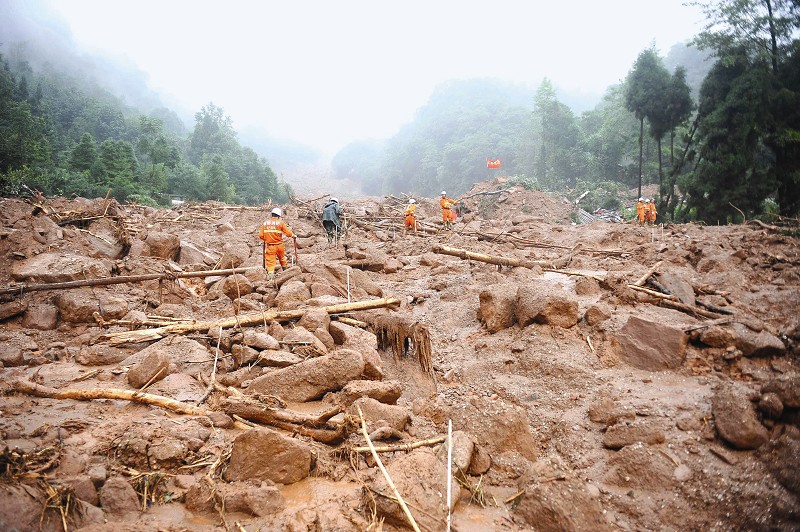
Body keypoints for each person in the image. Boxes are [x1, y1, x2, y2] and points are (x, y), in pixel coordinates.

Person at [259, 207, 296, 278]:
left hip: (270, 246)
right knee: (282, 258)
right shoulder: (280, 223)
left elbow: (261, 235)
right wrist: (293, 236)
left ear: (272, 214)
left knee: (270, 262)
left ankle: (271, 278)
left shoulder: (265, 223)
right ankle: (285, 272)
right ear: (279, 216)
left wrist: (267, 239)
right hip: (280, 246)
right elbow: (287, 233)